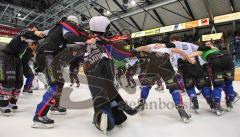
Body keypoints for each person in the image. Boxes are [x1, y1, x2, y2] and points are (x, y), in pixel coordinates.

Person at [84, 16, 137, 133]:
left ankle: (104, 116)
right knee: (110, 92)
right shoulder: (103, 41)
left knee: (99, 94)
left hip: (92, 70)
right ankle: (118, 116)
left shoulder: (87, 40)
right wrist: (132, 52)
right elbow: (119, 54)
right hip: (106, 67)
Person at [32, 15, 87, 128]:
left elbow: (43, 33)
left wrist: (37, 32)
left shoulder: (58, 27)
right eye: (77, 25)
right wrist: (86, 40)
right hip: (46, 55)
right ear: (74, 23)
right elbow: (70, 38)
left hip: (51, 56)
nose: (77, 26)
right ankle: (39, 116)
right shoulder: (67, 27)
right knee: (54, 85)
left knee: (60, 82)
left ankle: (55, 106)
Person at [133, 43, 193, 123]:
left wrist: (132, 51)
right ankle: (181, 109)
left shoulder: (153, 47)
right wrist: (189, 59)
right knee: (174, 88)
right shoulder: (168, 49)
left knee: (146, 86)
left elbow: (143, 47)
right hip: (166, 66)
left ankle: (141, 102)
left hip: (152, 66)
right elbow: (180, 52)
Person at [0, 26, 42, 116]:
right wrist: (35, 33)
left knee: (19, 82)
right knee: (9, 80)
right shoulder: (23, 34)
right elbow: (25, 34)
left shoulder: (29, 42)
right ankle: (3, 103)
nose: (35, 31)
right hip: (7, 56)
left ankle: (12, 102)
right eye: (34, 30)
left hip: (16, 58)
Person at [189, 40, 238, 115]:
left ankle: (217, 105)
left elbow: (193, 54)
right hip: (227, 59)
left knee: (217, 85)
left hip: (215, 61)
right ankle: (230, 101)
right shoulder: (215, 48)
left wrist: (184, 55)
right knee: (228, 83)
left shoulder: (202, 49)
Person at [170, 35, 214, 113]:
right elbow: (201, 48)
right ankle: (211, 102)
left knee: (189, 87)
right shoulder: (189, 44)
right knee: (203, 85)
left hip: (185, 68)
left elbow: (172, 61)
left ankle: (194, 101)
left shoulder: (173, 45)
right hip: (196, 66)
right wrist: (210, 47)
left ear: (173, 40)